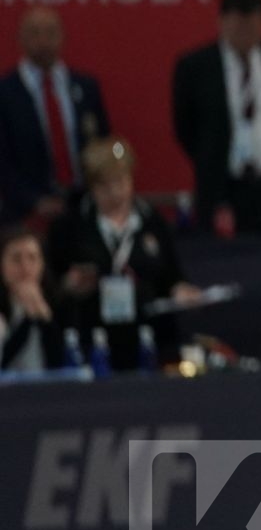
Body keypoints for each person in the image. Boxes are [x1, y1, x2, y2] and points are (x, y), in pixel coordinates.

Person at [47, 138, 202, 373]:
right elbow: (52, 284)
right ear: (92, 186)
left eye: (121, 181)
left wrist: (180, 289)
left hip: (150, 338)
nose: (116, 192)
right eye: (105, 186)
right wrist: (69, 285)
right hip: (93, 340)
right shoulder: (70, 227)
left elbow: (172, 275)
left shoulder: (151, 221)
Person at [171, 0, 261, 234]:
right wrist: (210, 162)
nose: (244, 34)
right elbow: (185, 128)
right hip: (224, 189)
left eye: (252, 26)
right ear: (221, 22)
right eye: (237, 26)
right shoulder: (196, 67)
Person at [0, 7, 110, 225]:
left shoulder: (85, 87)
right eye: (35, 33)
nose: (43, 41)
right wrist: (33, 201)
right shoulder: (6, 93)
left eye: (50, 33)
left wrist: (120, 155)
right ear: (20, 39)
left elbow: (108, 142)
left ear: (62, 37)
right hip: (28, 211)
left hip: (84, 203)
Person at [1, 226, 70, 373]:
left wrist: (45, 319)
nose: (25, 267)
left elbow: (61, 363)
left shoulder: (59, 302)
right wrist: (29, 318)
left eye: (32, 258)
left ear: (42, 264)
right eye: (16, 259)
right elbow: (3, 362)